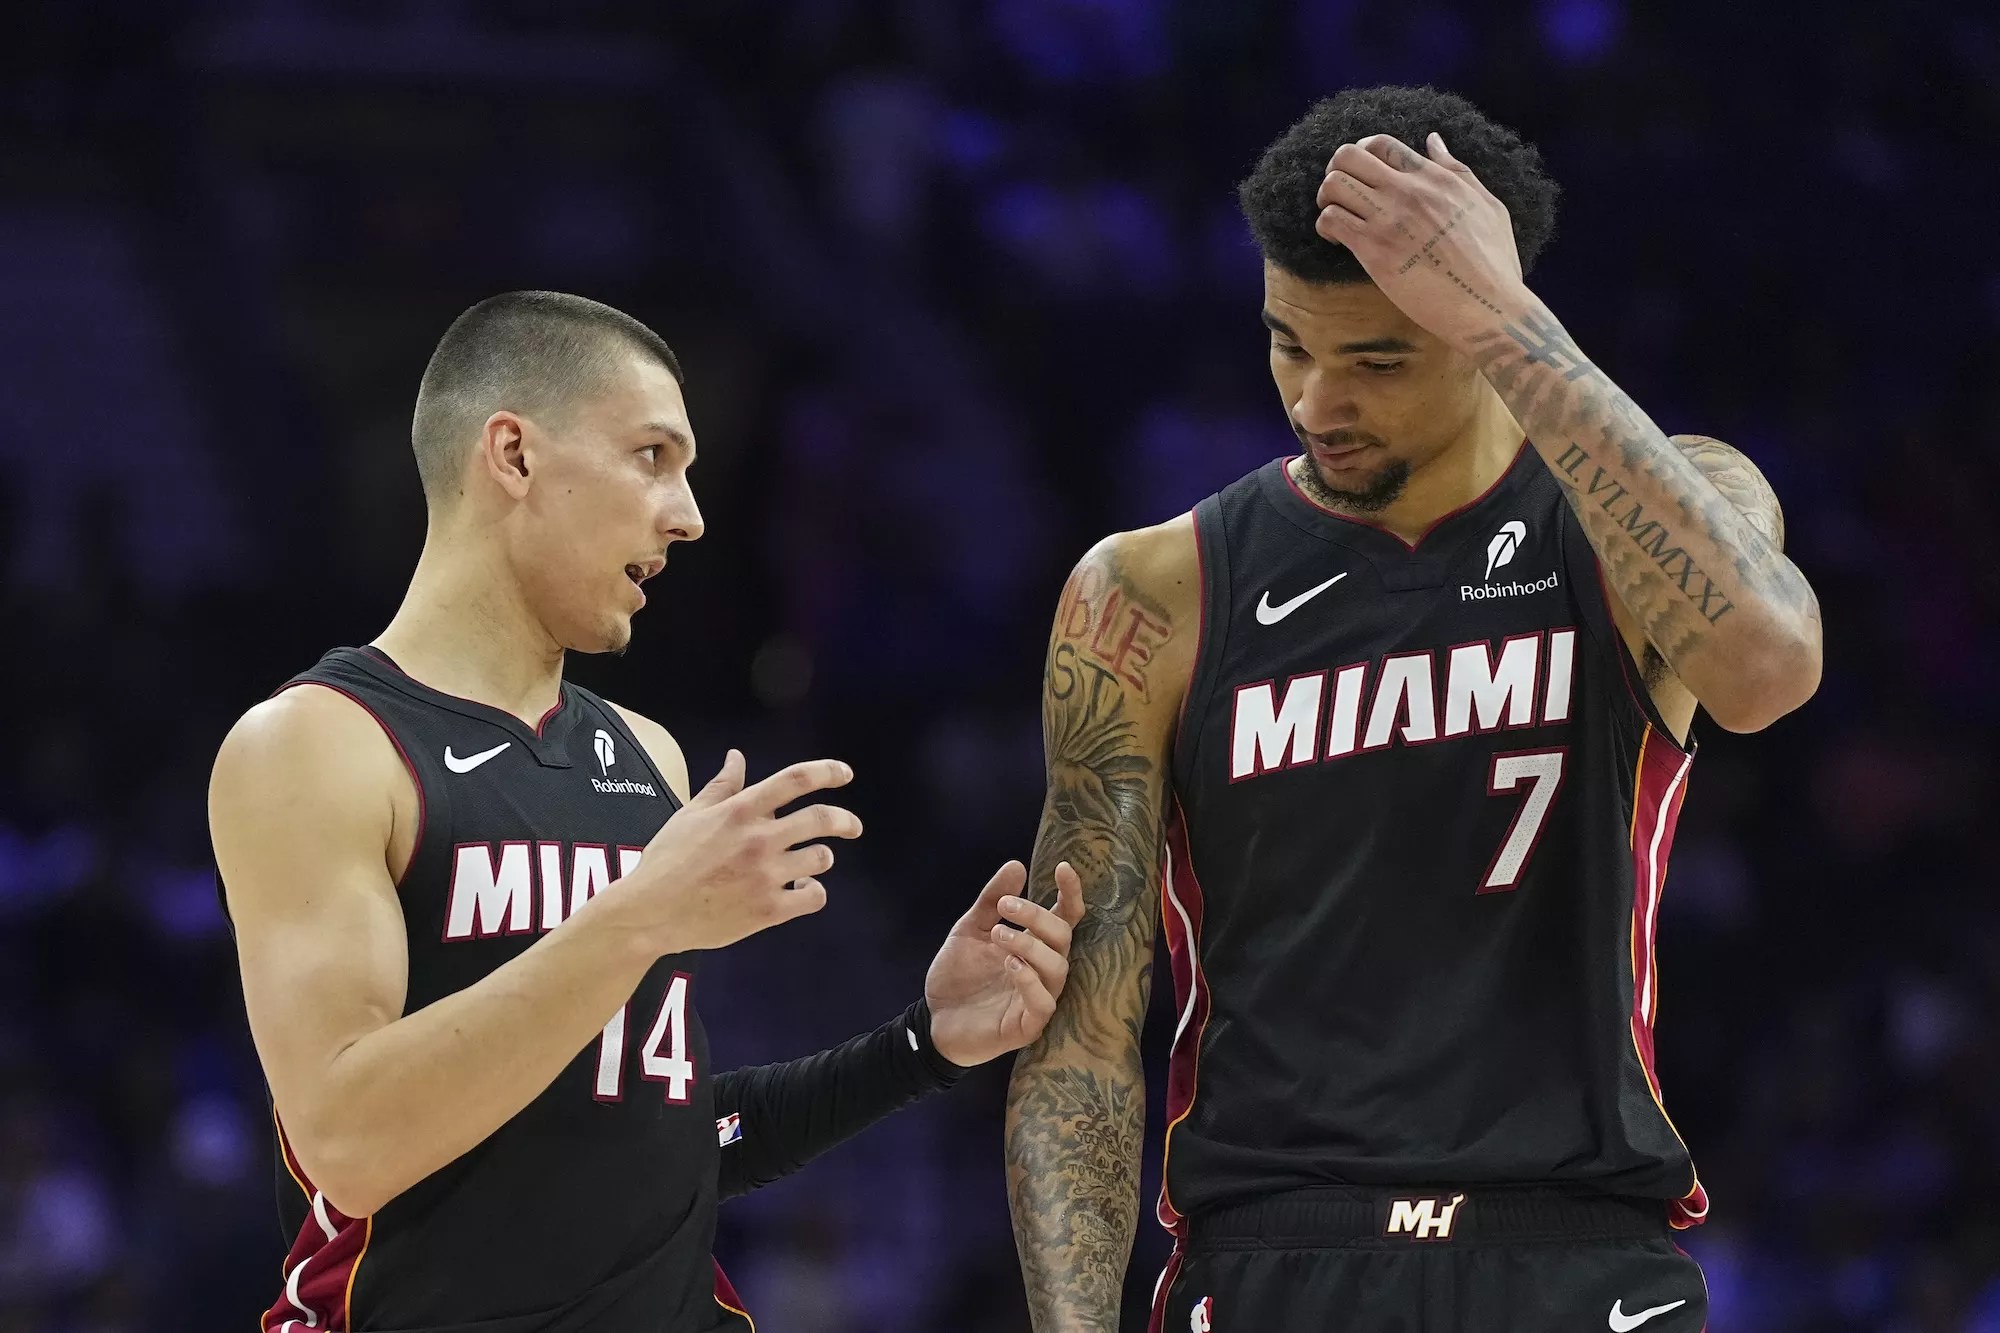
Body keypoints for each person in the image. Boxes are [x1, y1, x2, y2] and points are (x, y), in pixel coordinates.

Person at [1004, 85, 1822, 1333]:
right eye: (1289, 345)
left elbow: (1764, 670)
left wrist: (1504, 313)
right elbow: (1081, 1039)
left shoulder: (1657, 511)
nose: (1317, 401)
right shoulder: (1152, 590)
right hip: (1274, 1247)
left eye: (1378, 358)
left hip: (1573, 1246)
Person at [207, 291, 1084, 1333]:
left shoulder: (644, 756)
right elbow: (350, 1145)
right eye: (651, 456)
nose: (689, 514)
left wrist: (920, 1044)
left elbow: (661, 1140)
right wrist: (636, 919)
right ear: (515, 456)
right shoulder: (315, 743)